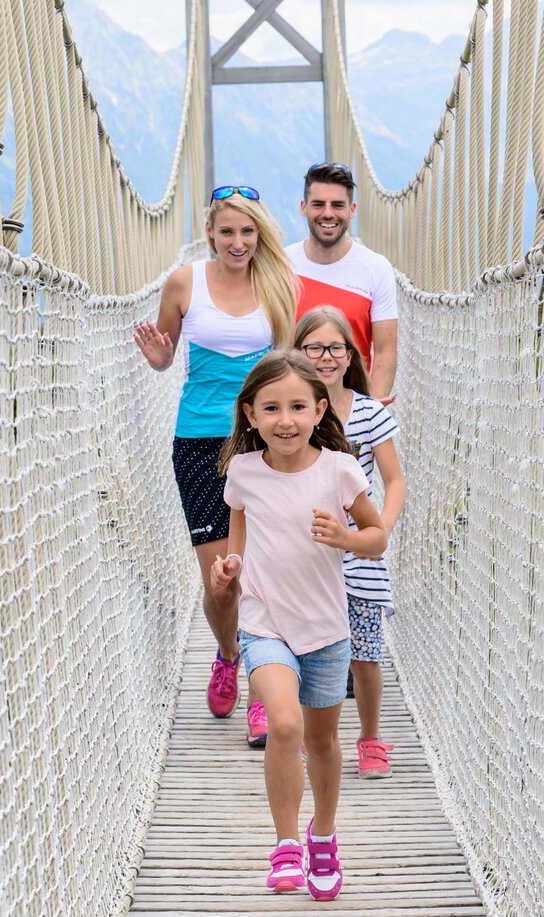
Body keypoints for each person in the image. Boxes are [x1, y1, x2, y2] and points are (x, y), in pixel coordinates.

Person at [207, 351, 388, 900]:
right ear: (250, 414)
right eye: (271, 408)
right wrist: (229, 570)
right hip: (265, 623)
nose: (284, 419)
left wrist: (347, 539)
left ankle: (323, 837)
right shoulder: (243, 472)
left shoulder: (340, 469)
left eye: (296, 407)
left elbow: (376, 539)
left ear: (319, 410)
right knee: (284, 725)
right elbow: (238, 539)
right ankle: (286, 843)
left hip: (327, 629)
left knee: (324, 739)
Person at [134, 185, 300, 720]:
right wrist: (160, 356)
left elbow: (290, 369)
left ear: (259, 234)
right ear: (209, 232)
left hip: (260, 440)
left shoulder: (279, 284)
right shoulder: (184, 282)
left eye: (247, 231)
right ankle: (228, 653)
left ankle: (260, 687)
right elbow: (165, 357)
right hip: (199, 442)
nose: (237, 242)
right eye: (227, 231)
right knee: (224, 581)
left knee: (260, 574)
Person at [292, 307, 406, 779]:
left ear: (349, 354)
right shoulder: (293, 410)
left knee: (364, 652)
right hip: (304, 552)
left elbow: (394, 479)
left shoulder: (368, 412)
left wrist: (377, 530)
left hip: (358, 550)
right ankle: (312, 736)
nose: (325, 357)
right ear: (297, 354)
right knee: (305, 647)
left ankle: (370, 736)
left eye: (335, 347)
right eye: (313, 347)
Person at [286, 162, 400, 401]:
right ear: (303, 207)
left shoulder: (376, 268)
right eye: (318, 204)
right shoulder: (281, 266)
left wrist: (371, 411)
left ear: (352, 209)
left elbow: (385, 350)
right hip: (293, 409)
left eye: (338, 205)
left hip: (353, 408)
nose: (328, 213)